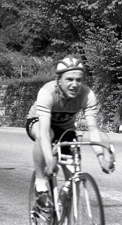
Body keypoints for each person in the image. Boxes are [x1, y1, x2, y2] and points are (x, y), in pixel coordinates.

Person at [26, 56, 114, 208]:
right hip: (39, 124)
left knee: (73, 179)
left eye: (79, 80)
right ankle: (40, 183)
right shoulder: (47, 93)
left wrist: (101, 158)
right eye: (69, 79)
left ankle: (64, 215)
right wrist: (50, 161)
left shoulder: (87, 95)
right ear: (58, 80)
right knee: (47, 134)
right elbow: (45, 133)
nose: (74, 85)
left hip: (65, 129)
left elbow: (93, 129)